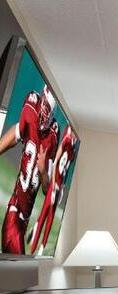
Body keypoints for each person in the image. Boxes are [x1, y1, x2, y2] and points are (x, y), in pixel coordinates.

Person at [0, 85, 59, 254]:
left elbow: (46, 188)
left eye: (48, 113)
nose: (44, 117)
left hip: (24, 219)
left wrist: (43, 171)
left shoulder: (53, 135)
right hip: (15, 211)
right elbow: (16, 133)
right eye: (44, 110)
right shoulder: (31, 108)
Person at [29, 124, 76, 254]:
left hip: (59, 185)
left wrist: (62, 187)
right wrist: (54, 183)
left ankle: (41, 247)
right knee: (45, 213)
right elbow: (55, 164)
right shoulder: (66, 140)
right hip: (54, 184)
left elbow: (66, 170)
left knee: (51, 216)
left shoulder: (73, 146)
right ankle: (33, 247)